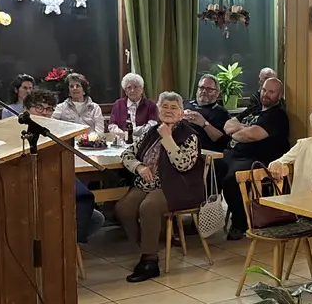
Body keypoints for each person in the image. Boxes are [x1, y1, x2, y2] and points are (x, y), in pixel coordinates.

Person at [116, 92, 204, 282]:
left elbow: (182, 164)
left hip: (177, 187)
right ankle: (147, 244)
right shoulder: (151, 131)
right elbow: (127, 153)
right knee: (123, 208)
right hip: (148, 183)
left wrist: (167, 137)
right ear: (158, 109)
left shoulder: (189, 135)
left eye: (174, 107)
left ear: (181, 113)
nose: (169, 110)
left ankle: (150, 261)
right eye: (165, 106)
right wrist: (138, 167)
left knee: (149, 207)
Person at [26, 89, 105, 242]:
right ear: (27, 109)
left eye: (48, 109)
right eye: (39, 108)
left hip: (56, 186)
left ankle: (64, 246)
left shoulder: (53, 132)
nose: (44, 113)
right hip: (33, 191)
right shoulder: (20, 132)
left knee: (96, 217)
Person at [220, 77, 291, 240]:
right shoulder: (253, 109)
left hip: (257, 159)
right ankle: (204, 218)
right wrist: (242, 129)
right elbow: (227, 125)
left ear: (279, 96)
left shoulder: (277, 116)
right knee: (208, 169)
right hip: (232, 154)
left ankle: (240, 222)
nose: (266, 94)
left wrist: (240, 131)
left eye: (271, 92)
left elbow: (251, 136)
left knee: (232, 179)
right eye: (264, 90)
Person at [184, 74, 232, 151]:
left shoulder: (221, 113)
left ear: (217, 93)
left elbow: (222, 141)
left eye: (209, 89)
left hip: (202, 152)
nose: (204, 91)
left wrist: (203, 123)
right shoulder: (185, 104)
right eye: (201, 88)